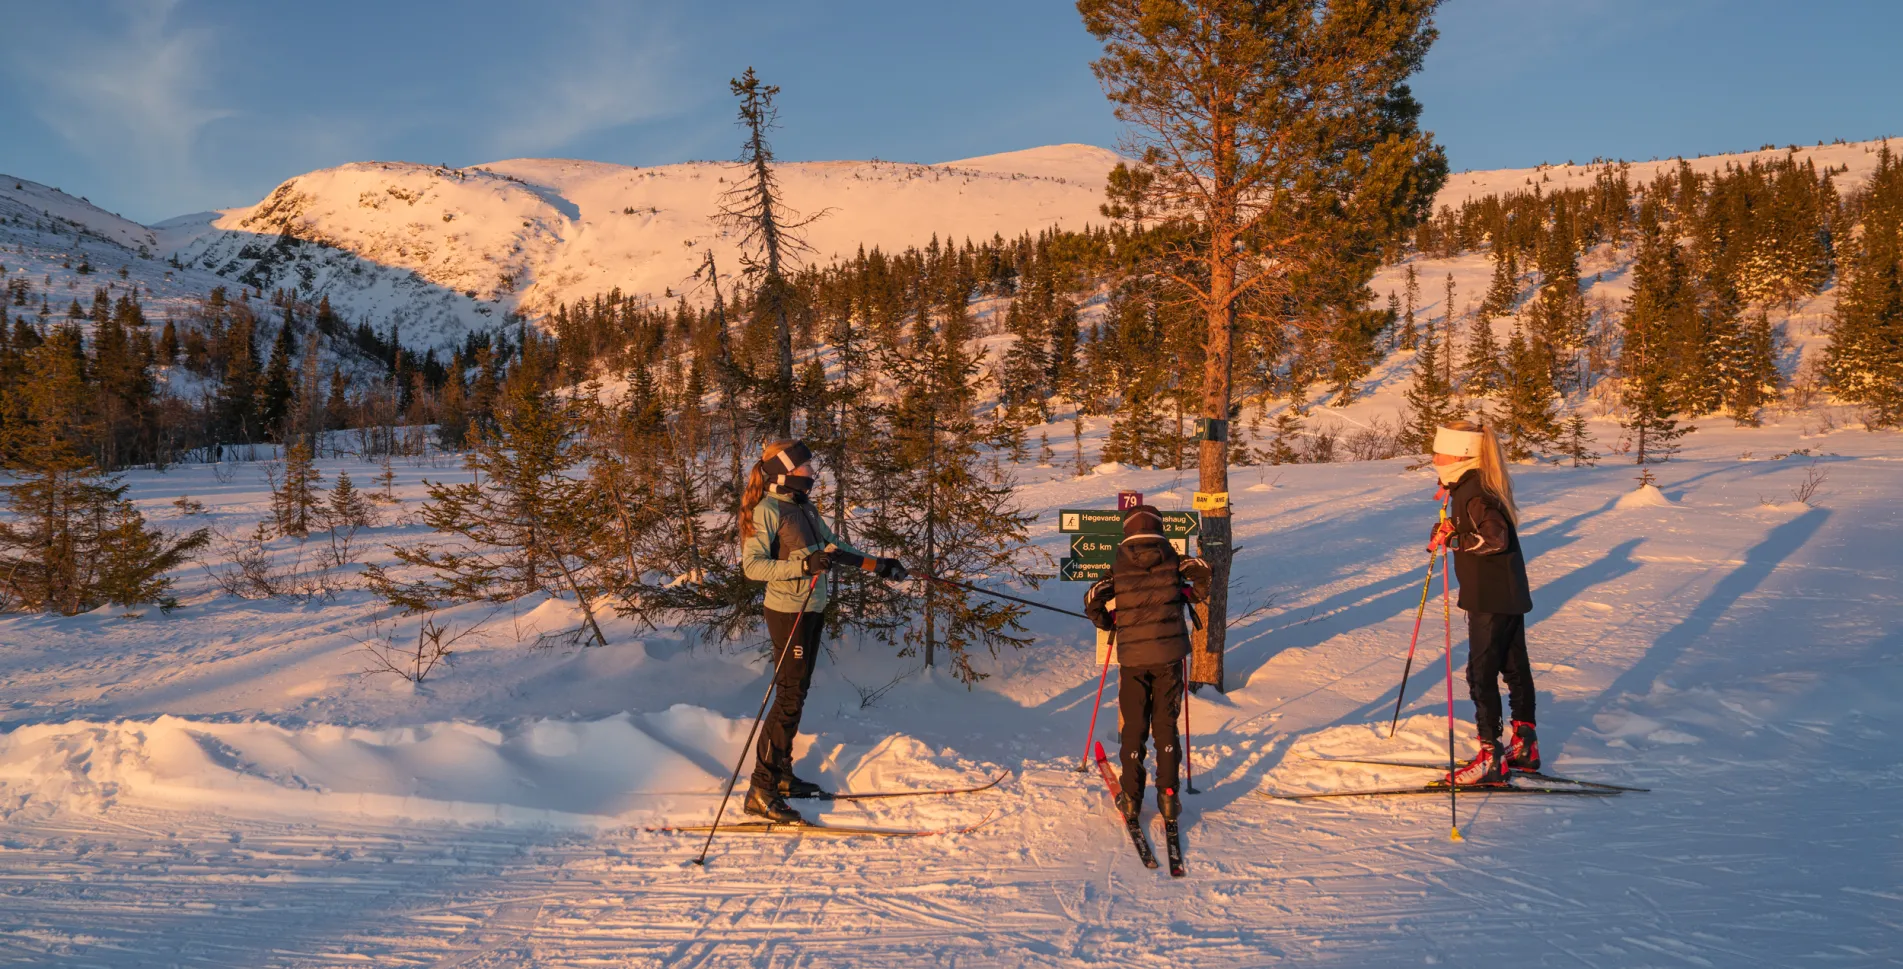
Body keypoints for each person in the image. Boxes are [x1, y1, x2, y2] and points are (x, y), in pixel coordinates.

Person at [739, 439, 907, 823]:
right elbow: (753, 568)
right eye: (806, 467)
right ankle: (761, 789)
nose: (812, 472)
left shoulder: (802, 507)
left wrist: (879, 566)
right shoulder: (768, 510)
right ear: (786, 472)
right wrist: (803, 566)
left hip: (812, 607)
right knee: (788, 697)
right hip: (787, 610)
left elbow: (833, 548)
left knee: (796, 695)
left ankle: (781, 777)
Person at [1083, 505, 1211, 824]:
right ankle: (1168, 796)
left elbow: (1091, 599)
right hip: (1170, 657)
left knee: (1135, 729)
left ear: (1128, 531)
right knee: (1165, 726)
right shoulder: (1173, 559)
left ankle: (1132, 799)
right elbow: (1204, 571)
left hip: (1133, 660)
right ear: (1159, 529)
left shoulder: (1119, 566)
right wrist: (1188, 594)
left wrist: (1108, 621)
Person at [1428, 420, 1539, 786]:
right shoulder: (1472, 485)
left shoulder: (1475, 491)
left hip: (1490, 594)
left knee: (1480, 673)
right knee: (1512, 667)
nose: (1433, 457)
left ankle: (1490, 758)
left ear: (1459, 455)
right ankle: (1524, 747)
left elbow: (1494, 539)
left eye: (1438, 450)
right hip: (1505, 591)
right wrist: (1451, 531)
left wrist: (1456, 542)